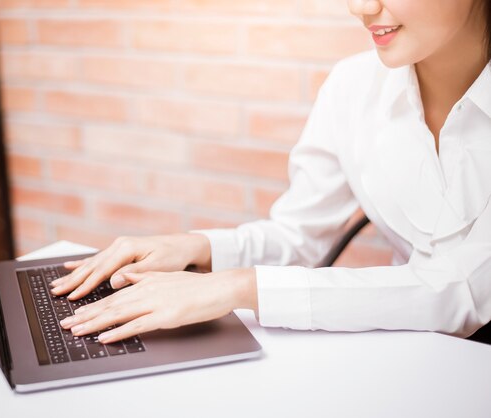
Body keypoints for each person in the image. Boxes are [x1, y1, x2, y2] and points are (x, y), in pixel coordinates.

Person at [51, 0, 491, 345]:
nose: (360, 7)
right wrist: (196, 248)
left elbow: (462, 291)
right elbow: (301, 237)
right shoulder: (352, 87)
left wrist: (239, 288)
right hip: (411, 349)